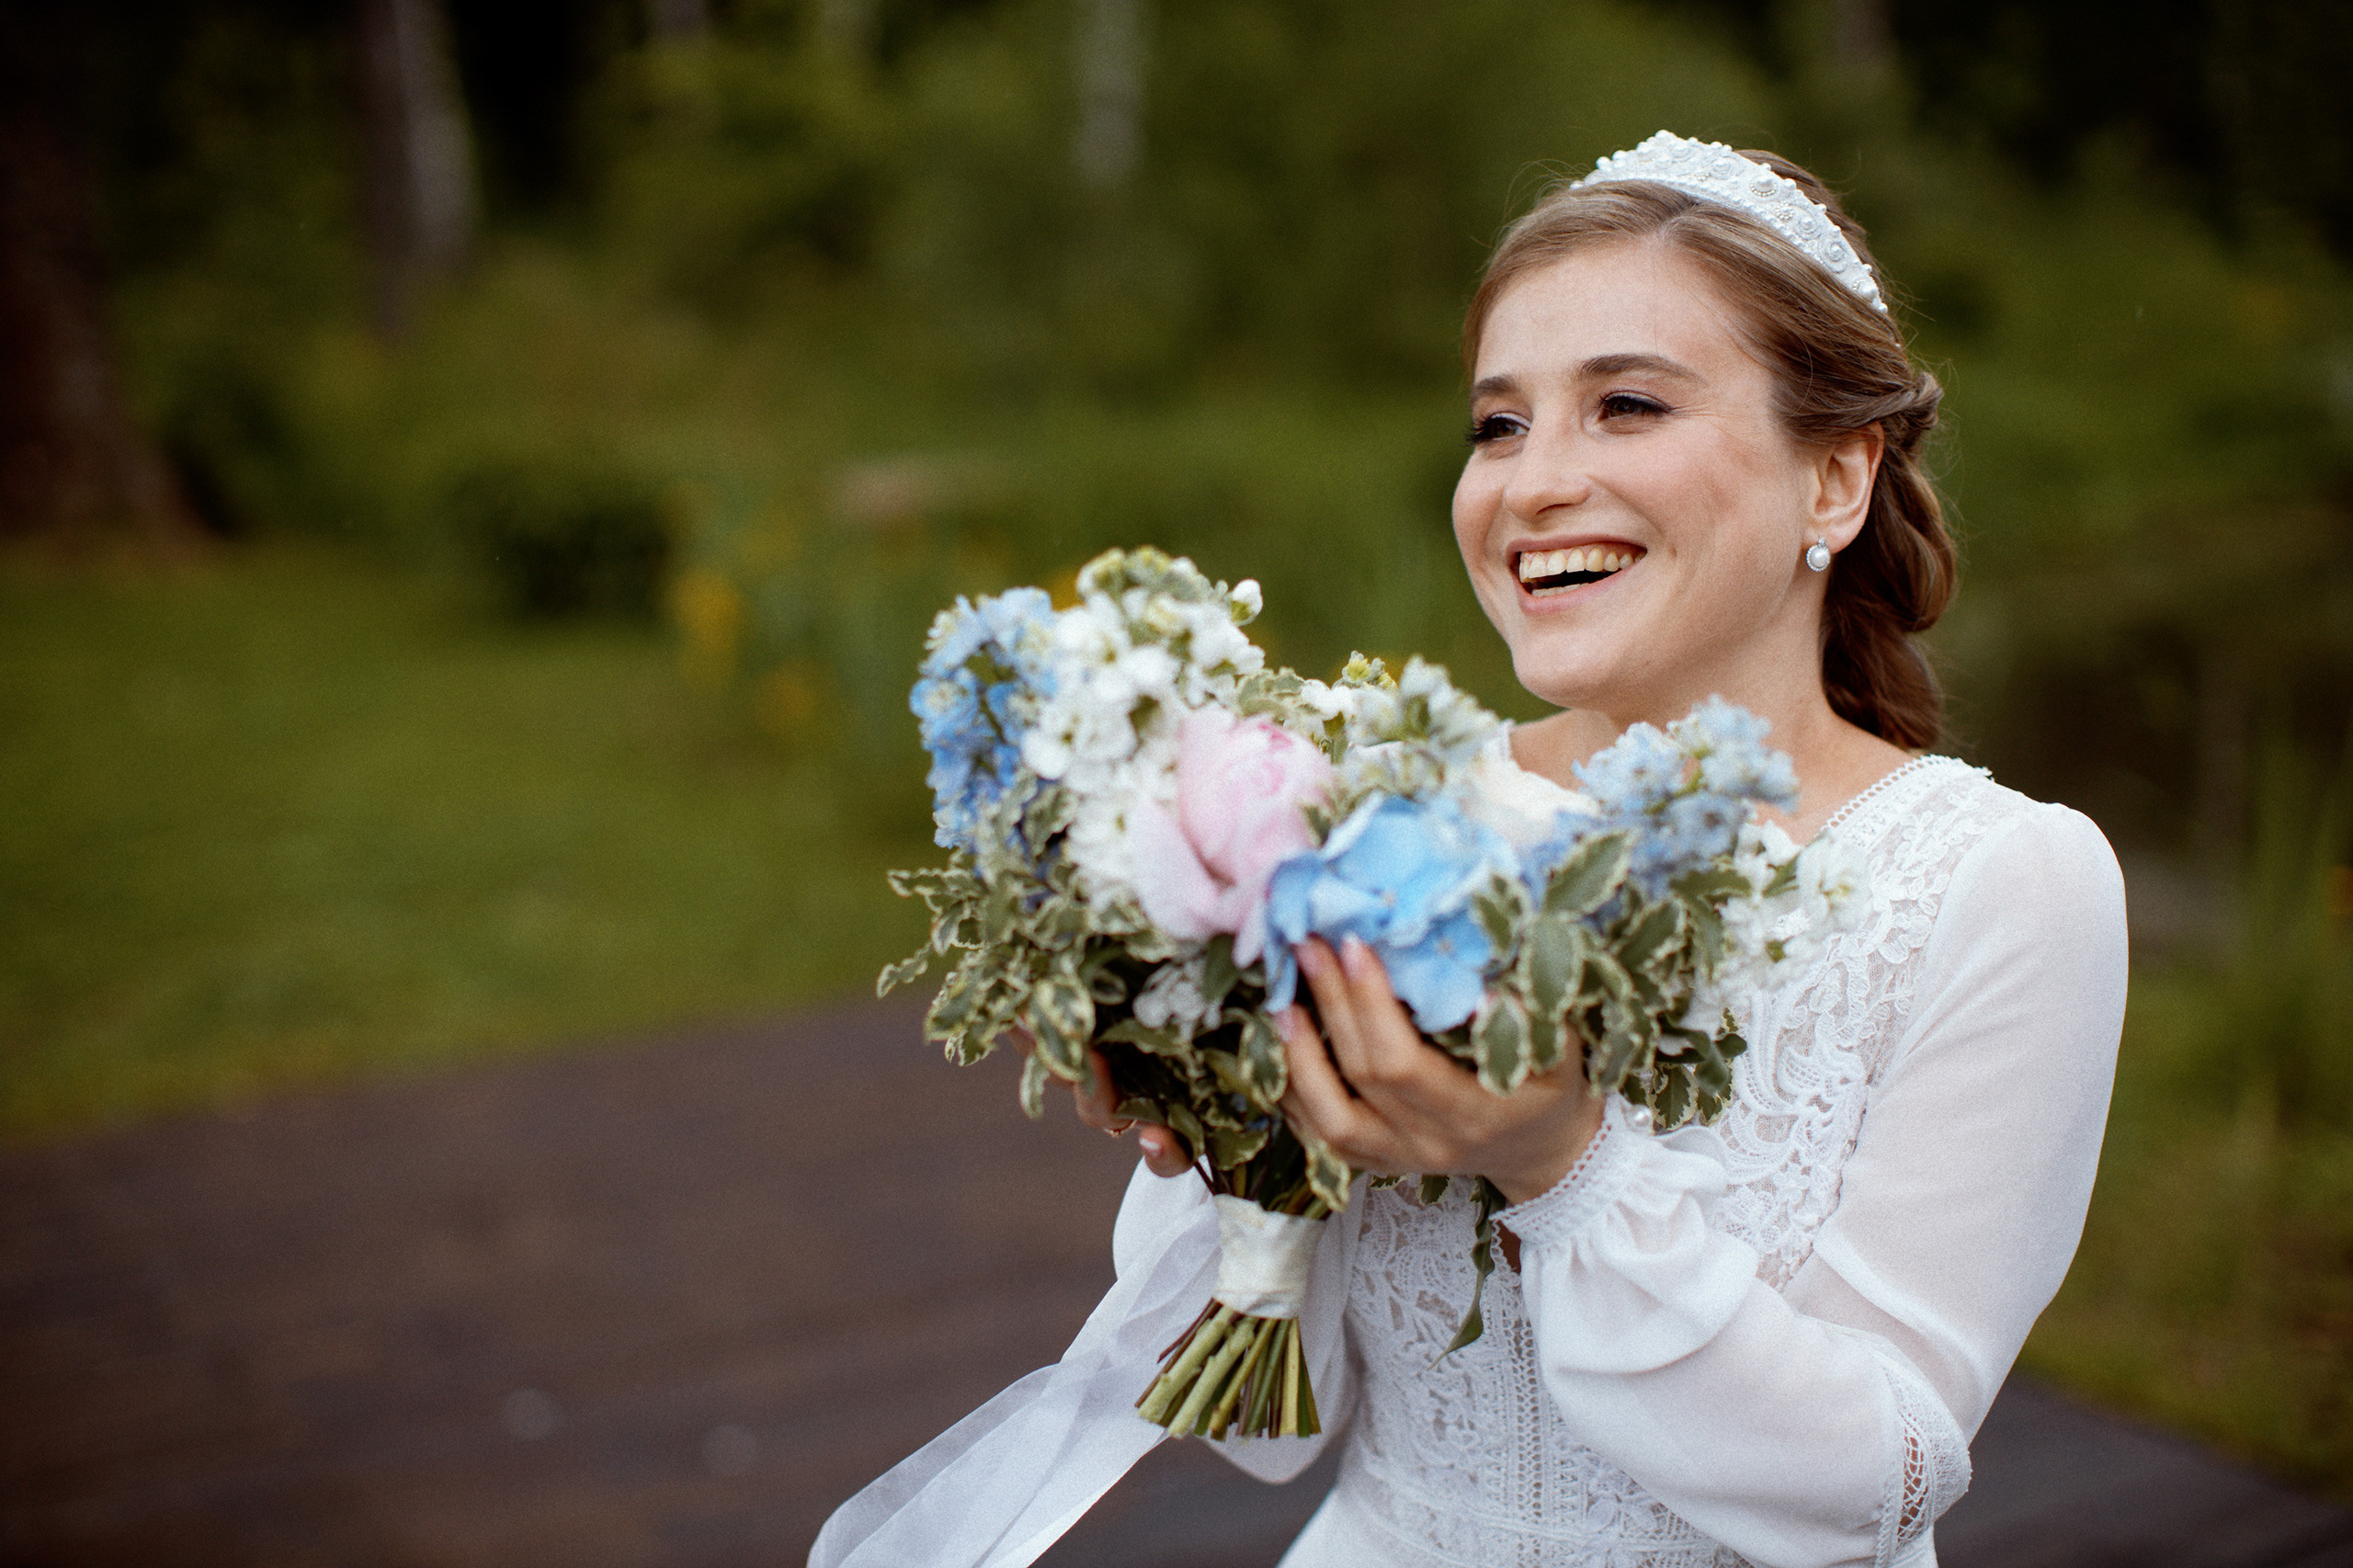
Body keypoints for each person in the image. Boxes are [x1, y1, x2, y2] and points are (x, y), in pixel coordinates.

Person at [811, 131, 2128, 1568]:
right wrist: (1222, 1134)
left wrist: (1564, 1163)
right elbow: (1268, 1435)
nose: (1534, 482)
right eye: (1500, 425)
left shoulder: (1998, 885)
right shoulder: (1383, 818)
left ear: (1837, 477)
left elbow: (1870, 1486)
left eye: (1626, 405)